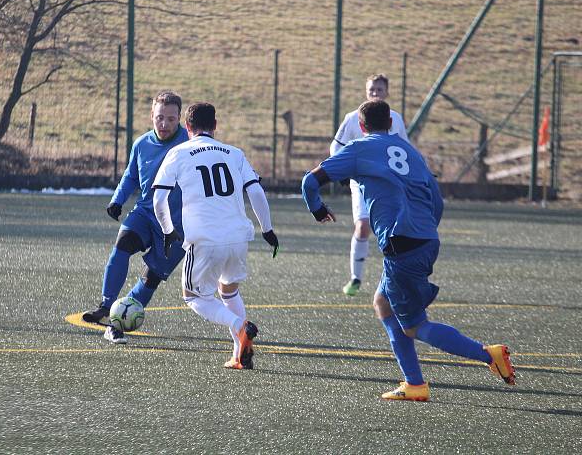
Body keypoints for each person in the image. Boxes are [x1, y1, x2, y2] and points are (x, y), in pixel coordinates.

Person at [302, 100, 515, 401]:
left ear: (361, 127)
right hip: (426, 239)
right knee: (382, 303)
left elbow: (310, 180)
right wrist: (424, 229)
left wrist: (318, 209)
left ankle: (487, 355)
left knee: (415, 325)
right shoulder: (411, 152)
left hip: (403, 245)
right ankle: (414, 383)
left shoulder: (359, 148)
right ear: (390, 123)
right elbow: (436, 199)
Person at [153, 102, 279, 370]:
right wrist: (267, 229)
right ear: (215, 126)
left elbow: (159, 198)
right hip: (238, 238)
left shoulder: (178, 152)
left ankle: (239, 326)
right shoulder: (234, 153)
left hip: (205, 239)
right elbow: (256, 192)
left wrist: (167, 230)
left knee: (194, 297)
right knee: (229, 290)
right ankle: (238, 354)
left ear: (187, 127)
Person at [81, 91, 189, 344]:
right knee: (122, 245)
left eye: (171, 119)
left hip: (178, 226)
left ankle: (119, 321)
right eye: (159, 118)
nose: (164, 124)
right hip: (146, 213)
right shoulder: (141, 144)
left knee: (151, 277)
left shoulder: (189, 143)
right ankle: (106, 306)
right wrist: (117, 200)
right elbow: (131, 176)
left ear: (180, 119)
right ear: (151, 115)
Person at [331, 74, 409, 296]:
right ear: (366, 92)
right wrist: (343, 171)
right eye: (372, 90)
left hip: (389, 184)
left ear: (387, 92)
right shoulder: (353, 118)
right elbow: (335, 147)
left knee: (394, 231)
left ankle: (396, 278)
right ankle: (355, 278)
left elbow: (405, 149)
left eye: (379, 90)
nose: (375, 93)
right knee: (363, 226)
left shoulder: (395, 119)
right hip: (363, 182)